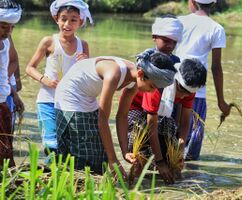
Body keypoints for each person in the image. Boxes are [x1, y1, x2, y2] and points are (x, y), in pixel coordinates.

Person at [54, 50, 177, 176]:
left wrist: (124, 152)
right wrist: (113, 160)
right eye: (151, 86)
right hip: (70, 98)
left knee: (99, 157)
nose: (151, 92)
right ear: (141, 74)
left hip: (88, 99)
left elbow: (122, 116)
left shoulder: (134, 80)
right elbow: (103, 120)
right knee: (84, 157)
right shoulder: (114, 74)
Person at [121, 58, 206, 183]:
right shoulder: (159, 85)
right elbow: (151, 126)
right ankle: (136, 178)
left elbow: (184, 122)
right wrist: (160, 162)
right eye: (182, 91)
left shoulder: (188, 89)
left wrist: (179, 153)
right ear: (175, 80)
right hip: (136, 109)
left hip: (159, 114)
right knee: (141, 148)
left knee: (170, 150)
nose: (183, 97)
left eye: (188, 94)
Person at [26, 0, 92, 156]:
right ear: (56, 18)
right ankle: (51, 174)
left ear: (80, 22)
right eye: (63, 19)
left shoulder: (83, 45)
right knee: (51, 143)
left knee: (68, 145)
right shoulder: (49, 41)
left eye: (73, 20)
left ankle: (62, 176)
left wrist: (86, 64)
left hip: (71, 103)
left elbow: (88, 78)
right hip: (47, 100)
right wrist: (44, 79)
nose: (67, 24)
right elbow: (30, 67)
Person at [174, 0, 231, 160]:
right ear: (213, 3)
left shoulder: (179, 21)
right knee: (191, 148)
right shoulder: (216, 29)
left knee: (170, 135)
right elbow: (216, 67)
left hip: (174, 87)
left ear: (192, 2)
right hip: (196, 91)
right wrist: (221, 101)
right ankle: (190, 179)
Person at [0, 0, 24, 168]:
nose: (8, 31)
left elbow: (11, 63)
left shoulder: (6, 41)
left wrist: (14, 94)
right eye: (4, 27)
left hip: (3, 102)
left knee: (6, 149)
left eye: (12, 28)